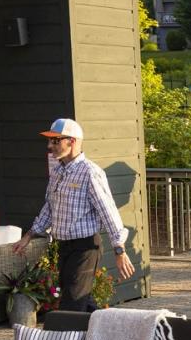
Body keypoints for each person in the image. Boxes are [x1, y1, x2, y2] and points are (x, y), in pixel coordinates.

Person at [13, 118, 135, 312]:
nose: (49, 146)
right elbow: (50, 207)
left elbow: (108, 212)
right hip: (64, 246)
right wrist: (29, 235)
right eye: (50, 141)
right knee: (81, 302)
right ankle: (106, 334)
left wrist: (119, 250)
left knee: (72, 303)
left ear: (72, 141)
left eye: (55, 141)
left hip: (85, 247)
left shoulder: (90, 173)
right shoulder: (57, 171)